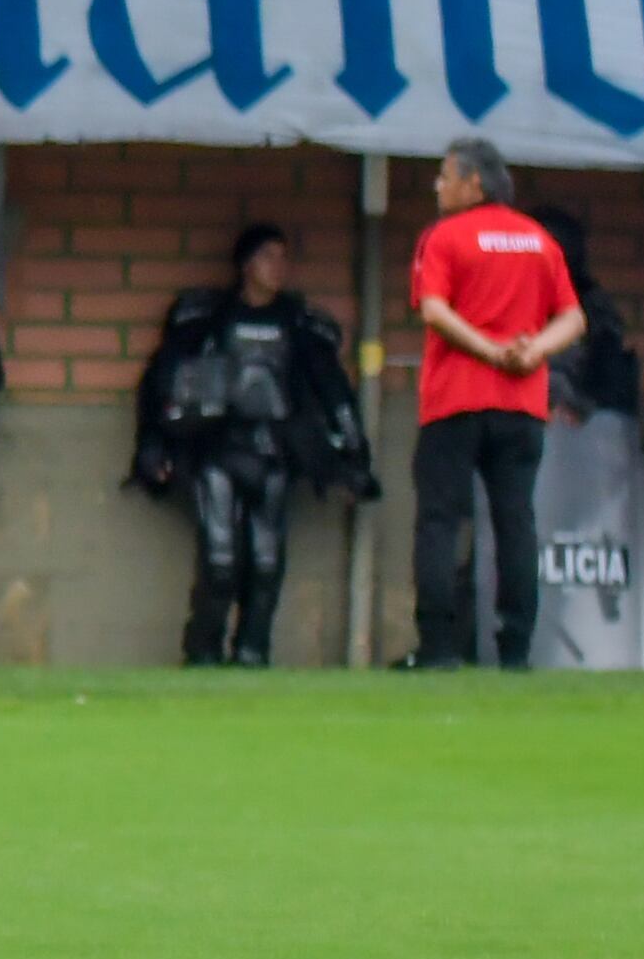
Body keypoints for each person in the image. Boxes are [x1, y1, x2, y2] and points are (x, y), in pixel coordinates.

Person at [129, 221, 373, 668]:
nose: (278, 267)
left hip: (275, 453)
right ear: (245, 265)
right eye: (268, 257)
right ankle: (202, 650)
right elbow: (163, 384)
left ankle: (252, 651)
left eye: (284, 258)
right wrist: (153, 446)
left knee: (265, 563)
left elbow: (332, 390)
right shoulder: (206, 319)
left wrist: (353, 457)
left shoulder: (298, 324)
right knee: (219, 560)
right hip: (216, 452)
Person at [401, 135, 582, 669]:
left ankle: (437, 649)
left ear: (472, 182)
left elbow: (433, 310)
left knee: (439, 520)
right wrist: (533, 352)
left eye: (444, 176)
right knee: (515, 522)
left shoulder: (444, 237)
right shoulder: (538, 240)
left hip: (455, 401)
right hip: (522, 405)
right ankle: (515, 651)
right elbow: (573, 318)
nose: (438, 186)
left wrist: (489, 350)